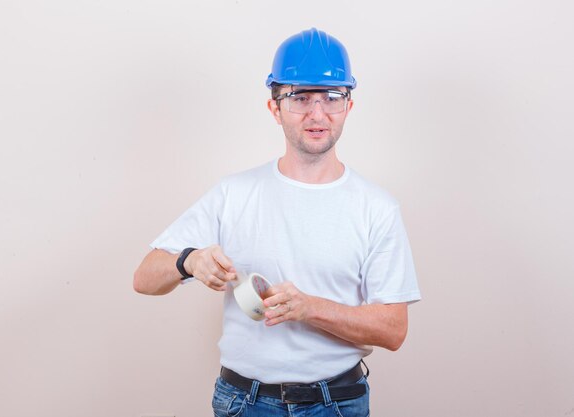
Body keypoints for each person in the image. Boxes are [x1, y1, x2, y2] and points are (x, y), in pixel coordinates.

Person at [134, 27, 421, 417]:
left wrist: (309, 308)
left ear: (348, 107)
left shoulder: (377, 208)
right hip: (243, 403)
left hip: (336, 403)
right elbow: (144, 278)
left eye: (331, 97)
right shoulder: (234, 194)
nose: (317, 113)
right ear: (275, 108)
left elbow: (393, 329)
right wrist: (188, 260)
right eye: (299, 97)